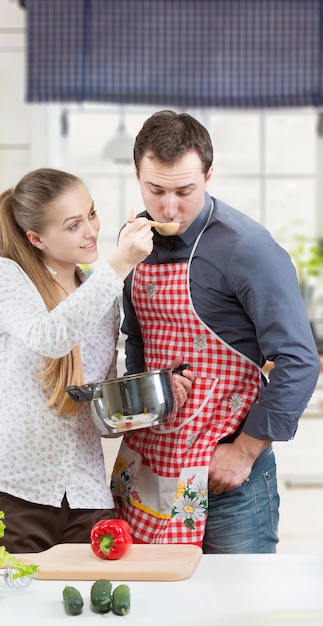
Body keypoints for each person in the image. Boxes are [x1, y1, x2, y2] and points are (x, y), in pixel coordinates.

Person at [111, 110, 321, 553]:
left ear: (209, 175)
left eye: (185, 191)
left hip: (226, 474)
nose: (169, 208)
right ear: (137, 175)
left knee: (236, 612)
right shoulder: (133, 243)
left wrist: (244, 452)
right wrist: (150, 390)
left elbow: (299, 361)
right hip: (152, 462)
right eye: (156, 190)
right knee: (152, 608)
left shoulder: (246, 247)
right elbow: (138, 340)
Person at [0, 167, 193, 553]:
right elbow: (49, 337)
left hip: (87, 496)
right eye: (73, 225)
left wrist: (155, 394)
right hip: (11, 490)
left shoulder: (100, 298)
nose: (91, 231)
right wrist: (119, 265)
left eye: (91, 214)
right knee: (13, 611)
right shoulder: (4, 277)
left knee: (95, 607)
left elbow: (100, 414)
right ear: (36, 238)